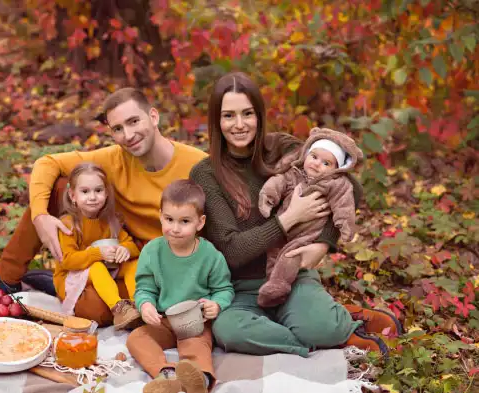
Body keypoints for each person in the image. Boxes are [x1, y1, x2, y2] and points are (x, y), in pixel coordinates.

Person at [189, 72, 403, 358]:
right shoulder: (206, 174)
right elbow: (231, 250)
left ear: (259, 115)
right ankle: (325, 330)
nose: (239, 125)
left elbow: (348, 186)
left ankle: (326, 323)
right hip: (238, 289)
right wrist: (288, 218)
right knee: (229, 332)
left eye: (247, 114)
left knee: (316, 323)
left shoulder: (283, 149)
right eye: (228, 116)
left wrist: (324, 243)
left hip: (292, 276)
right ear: (217, 120)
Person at [0, 87, 208, 325]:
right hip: (118, 249)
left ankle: (53, 283)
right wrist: (40, 216)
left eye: (134, 121)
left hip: (164, 259)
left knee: (97, 310)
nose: (128, 134)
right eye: (117, 129)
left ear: (153, 117)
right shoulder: (114, 158)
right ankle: (5, 280)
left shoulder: (197, 165)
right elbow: (47, 163)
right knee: (59, 187)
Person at [127, 180, 233, 393]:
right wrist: (145, 304)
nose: (174, 228)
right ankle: (166, 375)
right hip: (164, 320)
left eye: (184, 221)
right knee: (137, 338)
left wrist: (217, 304)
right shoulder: (152, 251)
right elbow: (144, 287)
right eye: (169, 219)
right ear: (160, 216)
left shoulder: (210, 255)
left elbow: (224, 289)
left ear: (200, 223)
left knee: (197, 348)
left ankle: (199, 380)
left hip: (195, 323)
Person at [256, 127, 363, 308]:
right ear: (306, 154)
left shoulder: (336, 183)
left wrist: (344, 225)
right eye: (314, 157)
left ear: (337, 169)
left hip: (307, 236)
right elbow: (277, 183)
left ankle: (278, 287)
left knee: (289, 257)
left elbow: (344, 204)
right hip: (283, 228)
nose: (316, 164)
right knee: (273, 252)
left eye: (326, 163)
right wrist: (268, 198)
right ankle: (270, 286)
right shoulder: (294, 173)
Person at [54, 162, 142, 330]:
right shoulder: (68, 224)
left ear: (106, 193)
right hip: (72, 276)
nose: (92, 197)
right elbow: (67, 261)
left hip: (108, 268)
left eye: (98, 190)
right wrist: (97, 254)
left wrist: (125, 249)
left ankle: (138, 304)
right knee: (96, 267)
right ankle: (119, 308)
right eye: (85, 191)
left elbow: (131, 244)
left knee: (134, 264)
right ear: (73, 195)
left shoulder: (110, 220)